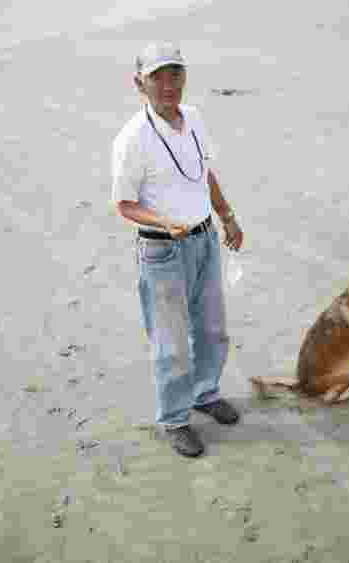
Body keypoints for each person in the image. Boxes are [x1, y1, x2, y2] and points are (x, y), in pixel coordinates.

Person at [110, 42, 245, 458]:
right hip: (162, 251)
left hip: (203, 237)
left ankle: (205, 393)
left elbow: (205, 172)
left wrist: (226, 215)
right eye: (158, 77)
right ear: (140, 83)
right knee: (171, 343)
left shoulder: (196, 119)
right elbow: (124, 204)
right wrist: (163, 223)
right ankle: (174, 418)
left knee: (211, 328)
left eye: (175, 74)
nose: (169, 85)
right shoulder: (131, 139)